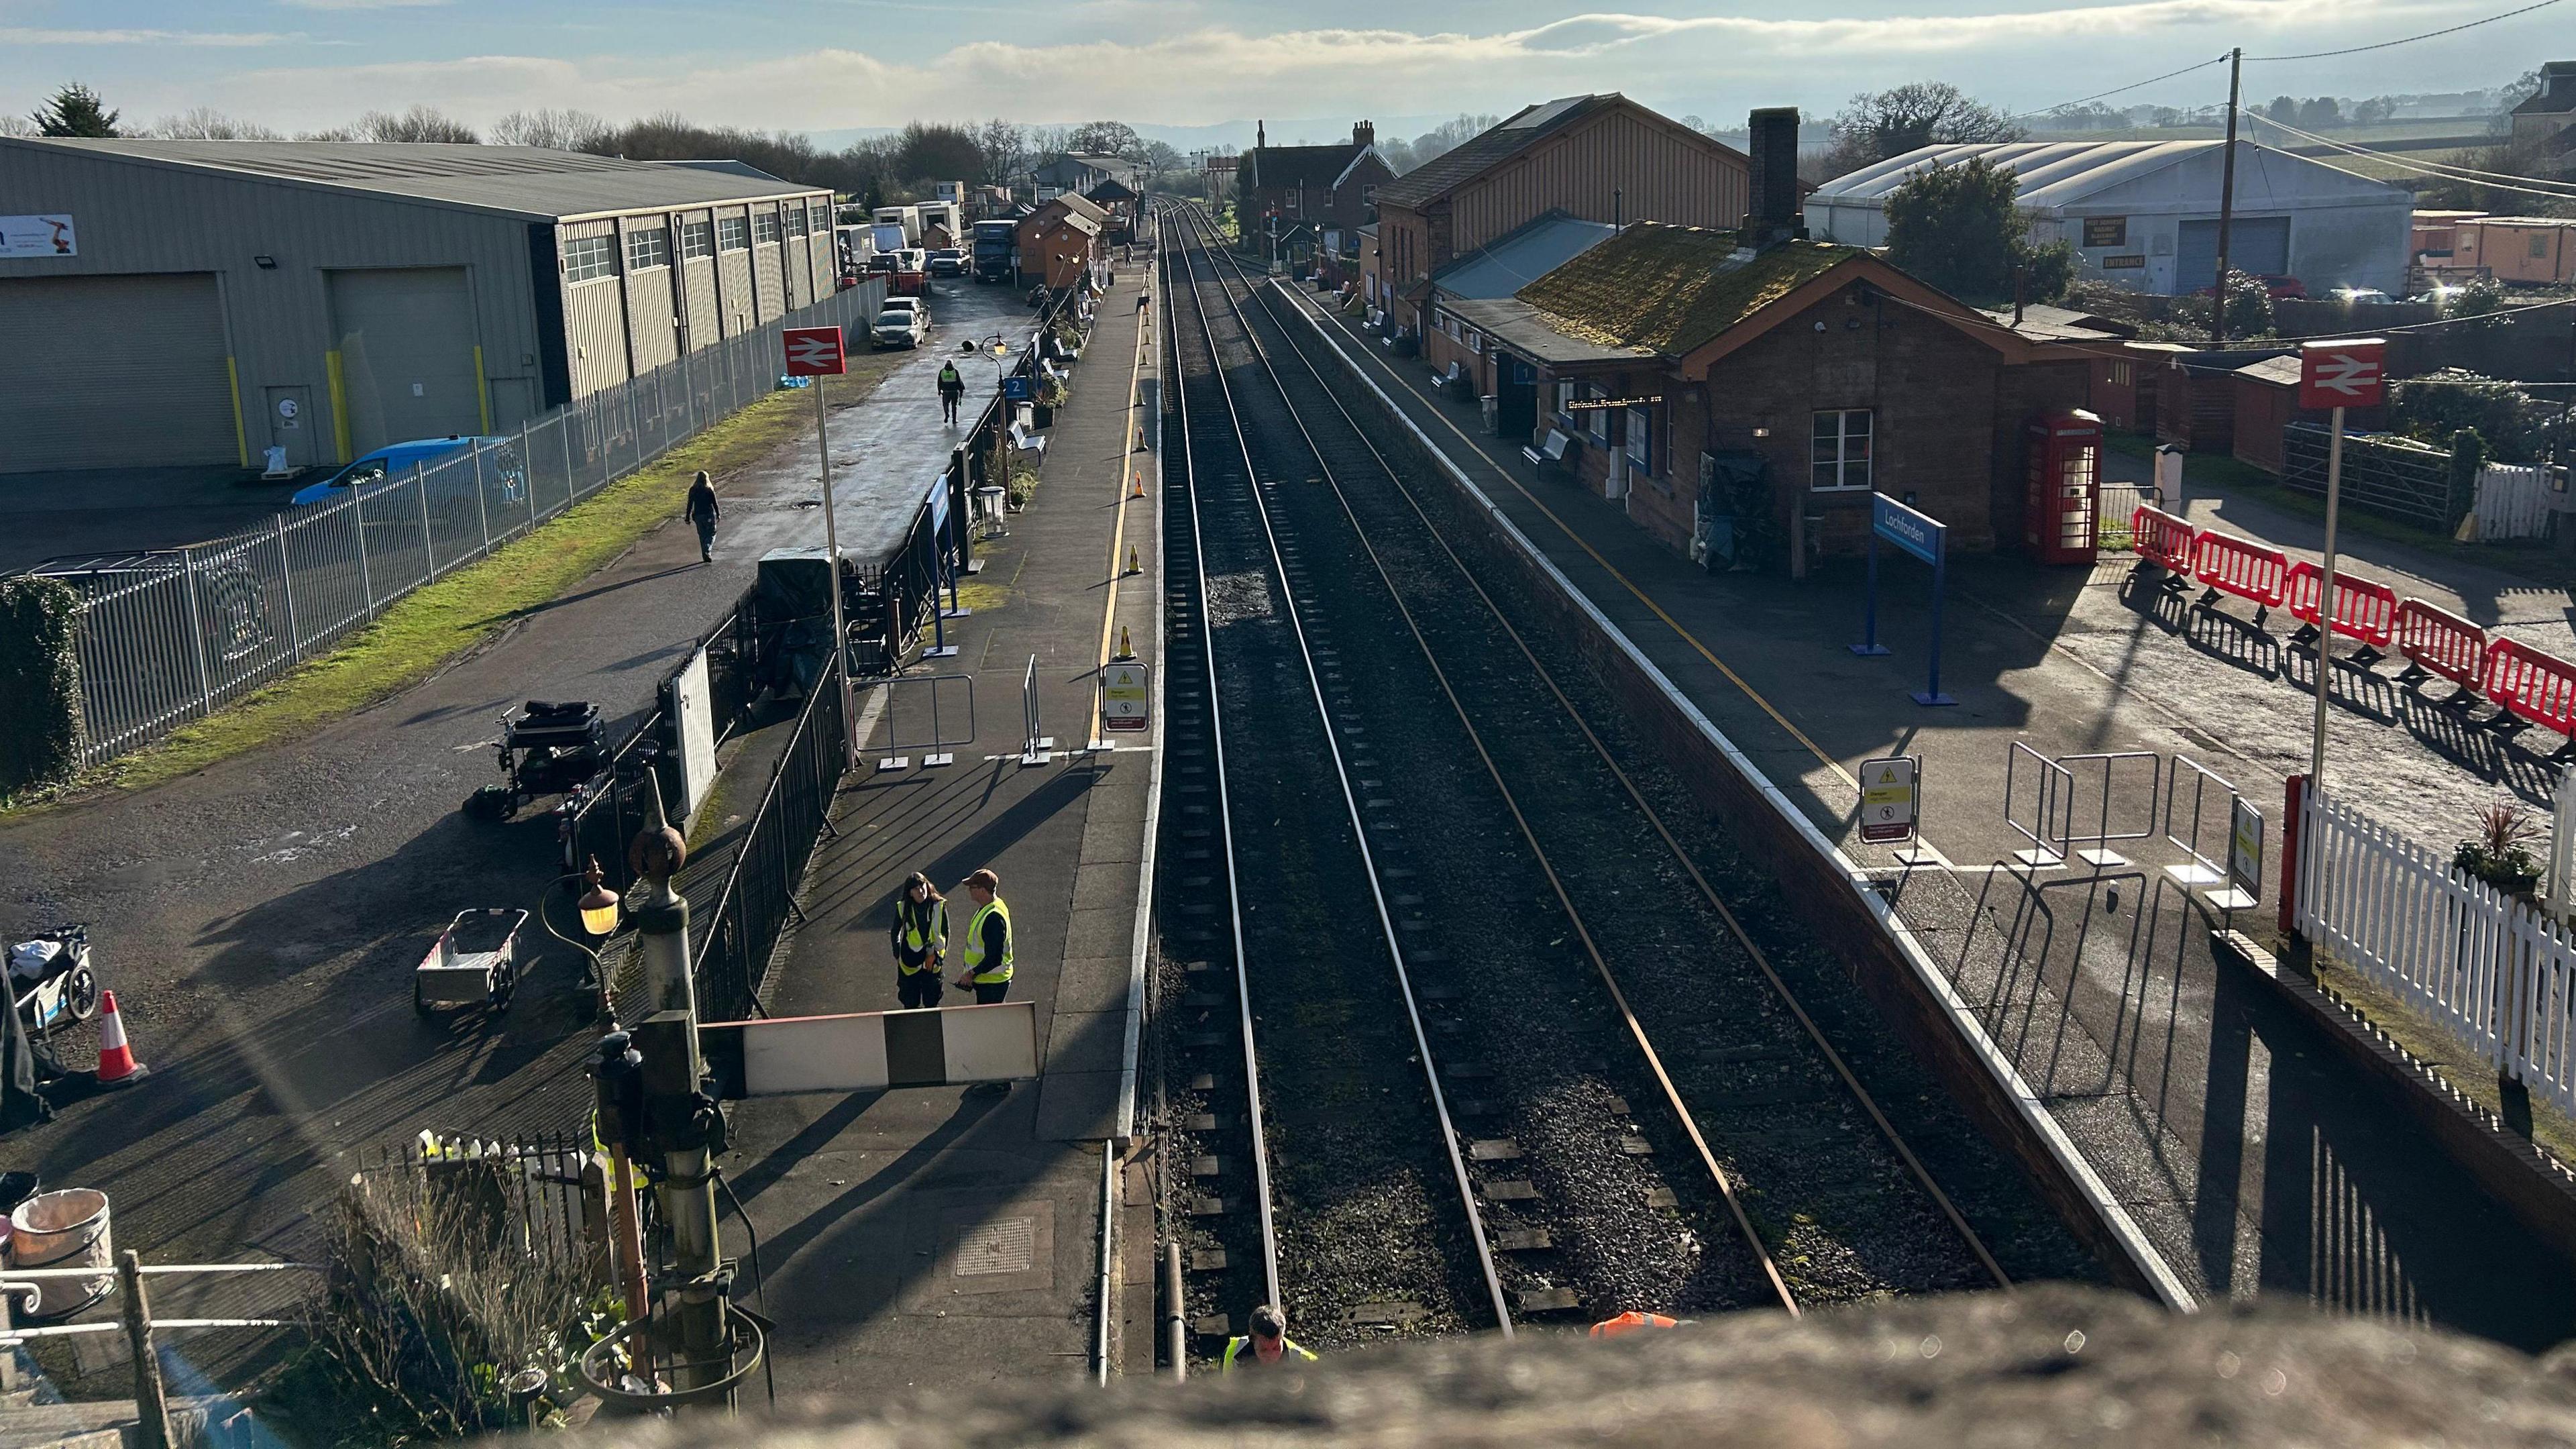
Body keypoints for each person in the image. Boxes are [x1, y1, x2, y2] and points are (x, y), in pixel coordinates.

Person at [950, 867, 1013, 1004]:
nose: (969, 890)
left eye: (972, 887)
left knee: (990, 1023)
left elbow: (995, 958)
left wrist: (971, 974)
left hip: (992, 984)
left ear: (982, 890)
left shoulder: (993, 918)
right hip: (990, 982)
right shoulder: (992, 907)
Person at [891, 872, 947, 1009]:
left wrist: (937, 955)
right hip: (910, 962)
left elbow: (946, 933)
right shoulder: (903, 907)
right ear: (910, 893)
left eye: (922, 886)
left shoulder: (938, 905)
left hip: (931, 962)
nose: (921, 890)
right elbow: (895, 931)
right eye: (916, 888)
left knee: (931, 1002)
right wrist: (898, 953)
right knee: (910, 1003)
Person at [1222, 1304, 1315, 1372]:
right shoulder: (1233, 1355)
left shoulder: (1304, 1362)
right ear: (1252, 1340)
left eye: (1276, 1348)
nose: (1271, 1356)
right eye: (1264, 1350)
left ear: (1282, 1338)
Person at [684, 470, 720, 564]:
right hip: (708, 514)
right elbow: (714, 503)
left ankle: (705, 554)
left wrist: (687, 517)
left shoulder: (693, 489)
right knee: (712, 533)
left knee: (702, 534)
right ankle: (707, 550)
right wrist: (718, 514)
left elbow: (690, 504)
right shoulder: (709, 489)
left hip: (698, 515)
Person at [937, 360, 965, 426]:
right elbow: (959, 381)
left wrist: (939, 390)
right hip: (954, 392)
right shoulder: (955, 371)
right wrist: (961, 391)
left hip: (946, 392)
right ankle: (954, 420)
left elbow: (939, 382)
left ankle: (947, 414)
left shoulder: (942, 372)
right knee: (954, 406)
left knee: (945, 405)